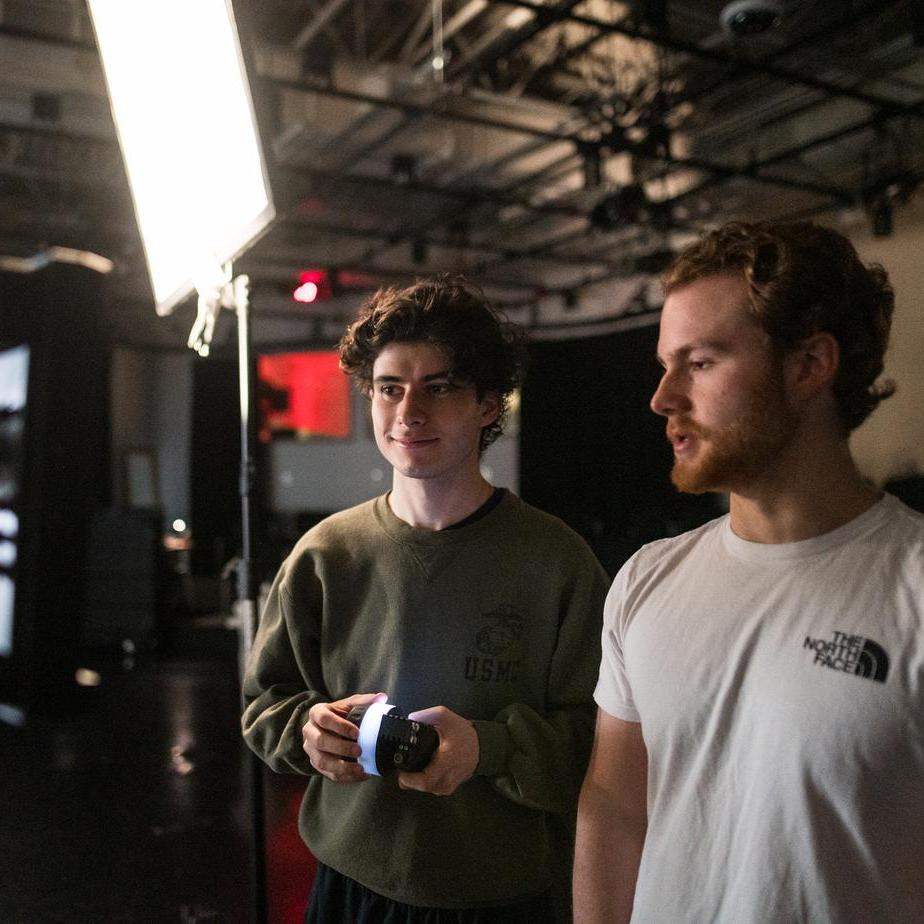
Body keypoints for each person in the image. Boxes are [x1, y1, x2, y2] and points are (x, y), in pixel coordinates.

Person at [573, 221, 924, 923]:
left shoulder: (912, 585)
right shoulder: (646, 581)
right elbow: (615, 811)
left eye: (699, 362)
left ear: (809, 366)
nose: (663, 397)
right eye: (665, 365)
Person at [242, 279, 609, 922]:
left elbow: (602, 745)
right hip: (350, 884)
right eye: (390, 388)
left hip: (500, 897)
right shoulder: (326, 554)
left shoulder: (558, 564)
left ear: (490, 405)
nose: (409, 412)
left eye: (438, 388)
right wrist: (309, 730)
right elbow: (263, 706)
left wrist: (487, 748)